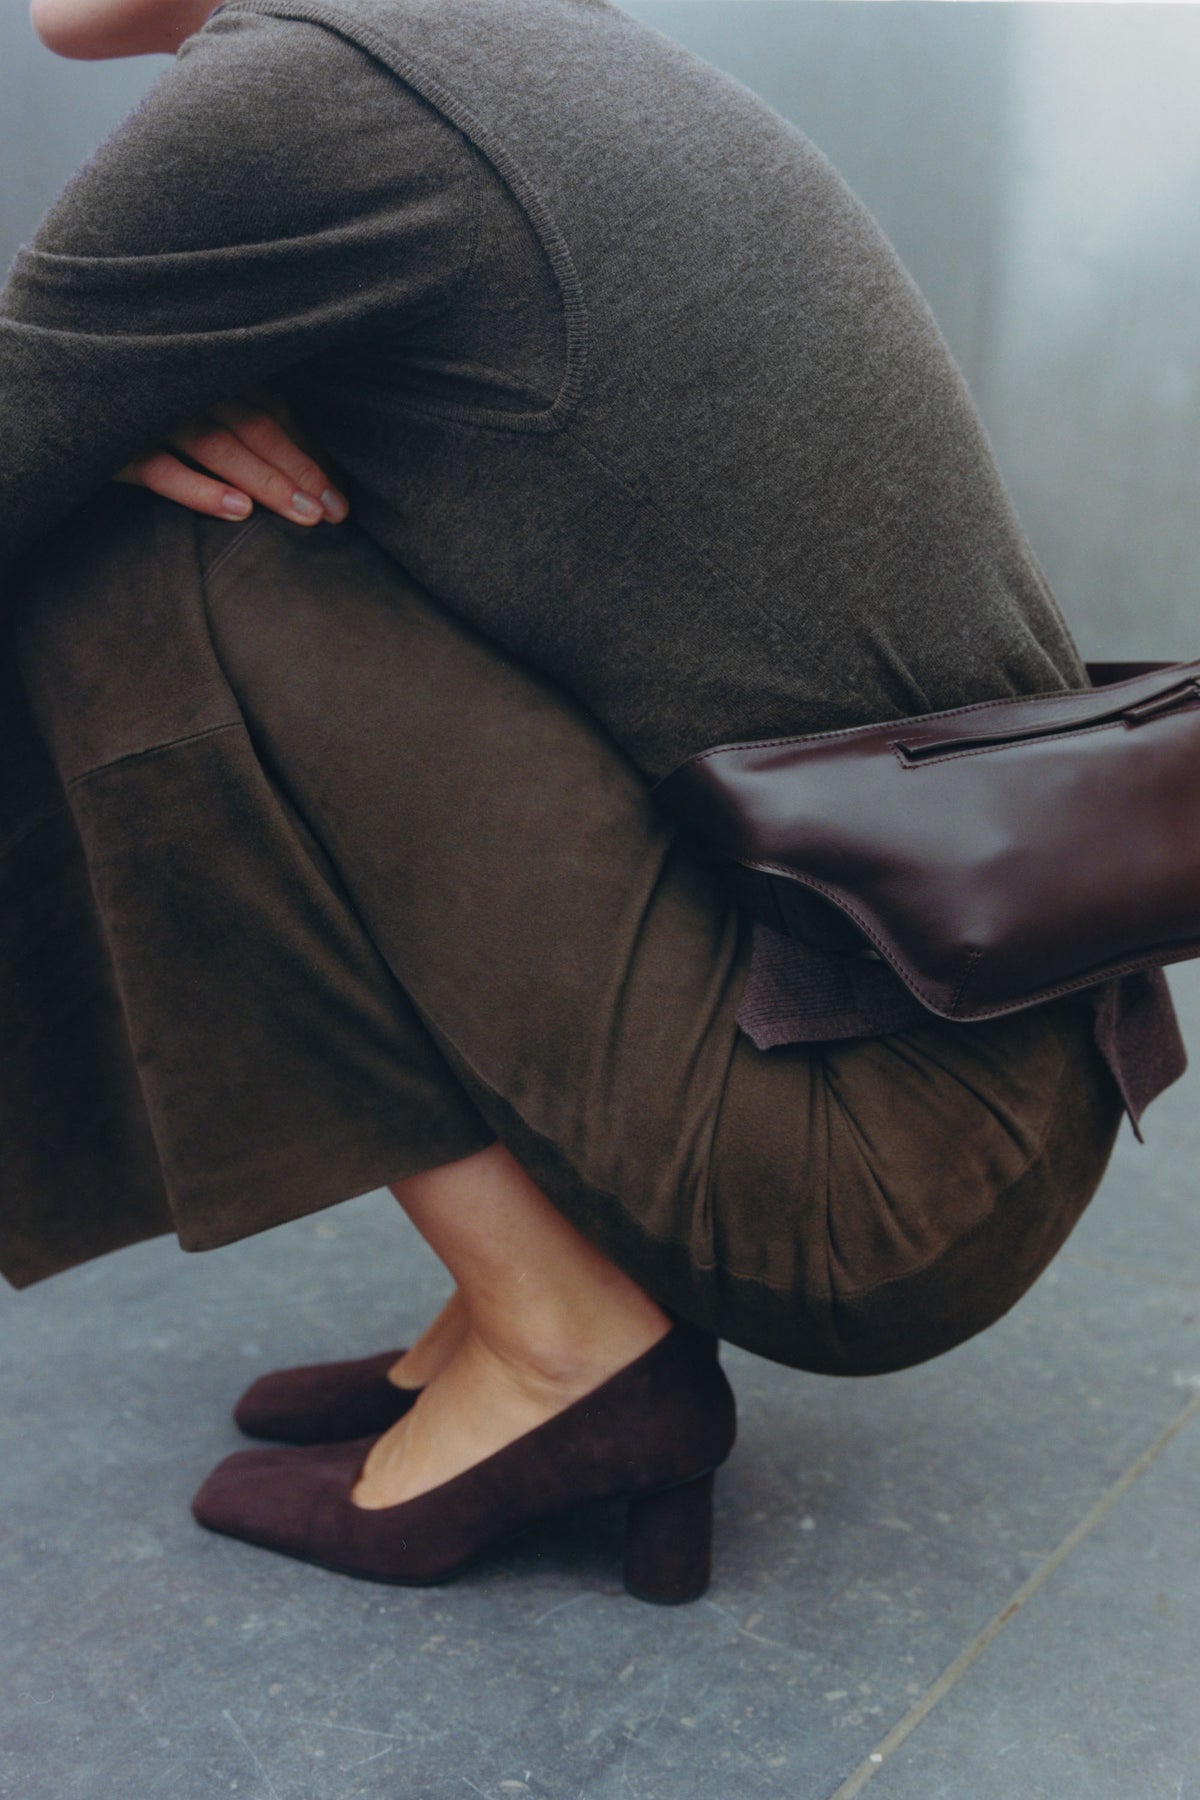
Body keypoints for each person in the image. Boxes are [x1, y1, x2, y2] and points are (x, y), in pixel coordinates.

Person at [1, 0, 1185, 1602]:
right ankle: (522, 1295)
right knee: (204, 503)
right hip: (963, 1078)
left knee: (122, 556)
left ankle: (570, 1344)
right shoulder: (468, 39)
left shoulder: (303, 95)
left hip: (869, 1165)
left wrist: (96, 431)